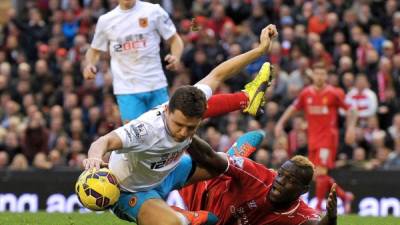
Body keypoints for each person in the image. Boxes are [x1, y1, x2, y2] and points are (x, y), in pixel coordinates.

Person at [83, 25, 278, 225]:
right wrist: (94, 159)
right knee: (176, 224)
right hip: (132, 191)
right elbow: (104, 141)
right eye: (178, 124)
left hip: (169, 171)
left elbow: (217, 74)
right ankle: (182, 217)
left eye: (191, 127)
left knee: (219, 167)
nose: (183, 132)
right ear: (167, 111)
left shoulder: (190, 104)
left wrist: (261, 50)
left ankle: (232, 154)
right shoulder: (146, 130)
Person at [178, 137, 338, 225]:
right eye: (281, 174)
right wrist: (186, 133)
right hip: (203, 192)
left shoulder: (299, 213)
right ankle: (231, 159)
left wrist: (331, 219)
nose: (281, 181)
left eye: (290, 180)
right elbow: (210, 157)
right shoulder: (257, 175)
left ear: (303, 190)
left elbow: (316, 224)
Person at [83, 0, 184, 122]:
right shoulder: (106, 20)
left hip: (156, 84)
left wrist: (176, 57)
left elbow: (175, 39)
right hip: (127, 90)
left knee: (165, 133)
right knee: (136, 138)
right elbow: (94, 50)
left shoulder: (154, 11)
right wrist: (89, 64)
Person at [274, 63, 355, 213]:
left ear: (326, 76)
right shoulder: (306, 93)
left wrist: (350, 128)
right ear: (313, 76)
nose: (319, 76)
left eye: (322, 74)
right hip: (313, 139)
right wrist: (280, 123)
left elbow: (351, 110)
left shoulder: (333, 93)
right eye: (317, 73)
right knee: (317, 175)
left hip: (328, 139)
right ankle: (344, 197)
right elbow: (293, 108)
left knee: (321, 173)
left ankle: (317, 207)